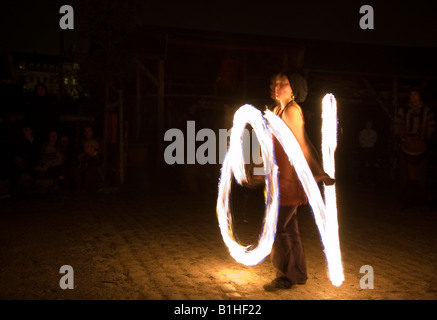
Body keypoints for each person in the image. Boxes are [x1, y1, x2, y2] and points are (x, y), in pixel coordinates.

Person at [263, 71, 334, 291]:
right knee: (289, 229)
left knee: (277, 228)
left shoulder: (292, 110)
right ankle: (299, 273)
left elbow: (303, 144)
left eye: (283, 83)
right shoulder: (276, 110)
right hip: (279, 178)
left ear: (294, 88)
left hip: (290, 179)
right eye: (275, 82)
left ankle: (286, 275)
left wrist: (318, 171)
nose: (277, 86)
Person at [394, 87, 436, 208]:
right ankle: (403, 200)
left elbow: (431, 127)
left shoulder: (427, 111)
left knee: (422, 175)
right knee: (403, 174)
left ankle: (421, 201)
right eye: (411, 95)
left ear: (419, 96)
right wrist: (402, 138)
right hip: (405, 146)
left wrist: (424, 141)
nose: (412, 97)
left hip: (422, 148)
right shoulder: (404, 110)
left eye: (415, 95)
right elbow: (397, 125)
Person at [358, 120, 378, 184]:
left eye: (370, 124)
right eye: (368, 124)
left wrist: (367, 140)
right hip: (363, 149)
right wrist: (367, 140)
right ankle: (361, 180)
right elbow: (361, 140)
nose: (369, 126)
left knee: (371, 165)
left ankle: (370, 180)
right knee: (362, 164)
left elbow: (374, 140)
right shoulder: (362, 132)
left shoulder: (373, 132)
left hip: (370, 149)